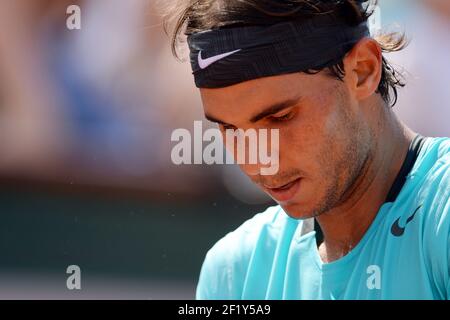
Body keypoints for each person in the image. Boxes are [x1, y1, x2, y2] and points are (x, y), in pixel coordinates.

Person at [167, 0, 450, 299]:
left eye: (280, 118)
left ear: (363, 71)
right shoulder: (233, 272)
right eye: (230, 129)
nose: (257, 164)